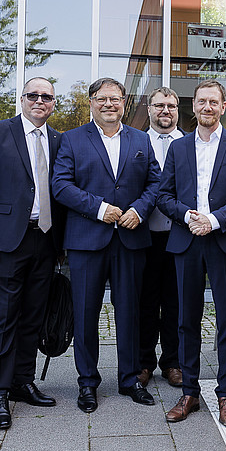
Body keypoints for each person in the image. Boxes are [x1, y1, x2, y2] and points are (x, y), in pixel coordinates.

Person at [52, 77, 161, 414]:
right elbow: (60, 185)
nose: (109, 105)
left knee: (130, 312)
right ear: (91, 102)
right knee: (86, 313)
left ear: (124, 103)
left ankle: (130, 379)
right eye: (102, 99)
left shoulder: (141, 139)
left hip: (130, 239)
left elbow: (156, 182)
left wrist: (139, 211)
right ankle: (88, 383)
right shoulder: (71, 139)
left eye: (115, 99)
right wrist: (99, 209)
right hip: (88, 240)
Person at [157, 80, 226, 427]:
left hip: (224, 239)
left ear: (223, 106)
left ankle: (225, 394)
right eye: (202, 102)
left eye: (214, 102)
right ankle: (189, 392)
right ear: (194, 106)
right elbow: (163, 195)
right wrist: (188, 217)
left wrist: (213, 221)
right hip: (186, 240)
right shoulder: (178, 148)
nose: (207, 108)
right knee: (186, 319)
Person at [0, 76, 66, 430]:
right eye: (33, 95)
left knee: (34, 316)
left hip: (45, 240)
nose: (40, 101)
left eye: (47, 97)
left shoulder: (59, 139)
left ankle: (22, 381)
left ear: (53, 103)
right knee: (6, 317)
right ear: (22, 99)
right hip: (9, 241)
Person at [137, 87, 185, 389]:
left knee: (176, 303)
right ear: (149, 108)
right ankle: (143, 363)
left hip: (179, 236)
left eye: (171, 105)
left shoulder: (191, 142)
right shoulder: (135, 142)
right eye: (159, 105)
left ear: (178, 109)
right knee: (144, 302)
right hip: (144, 236)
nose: (165, 111)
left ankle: (173, 362)